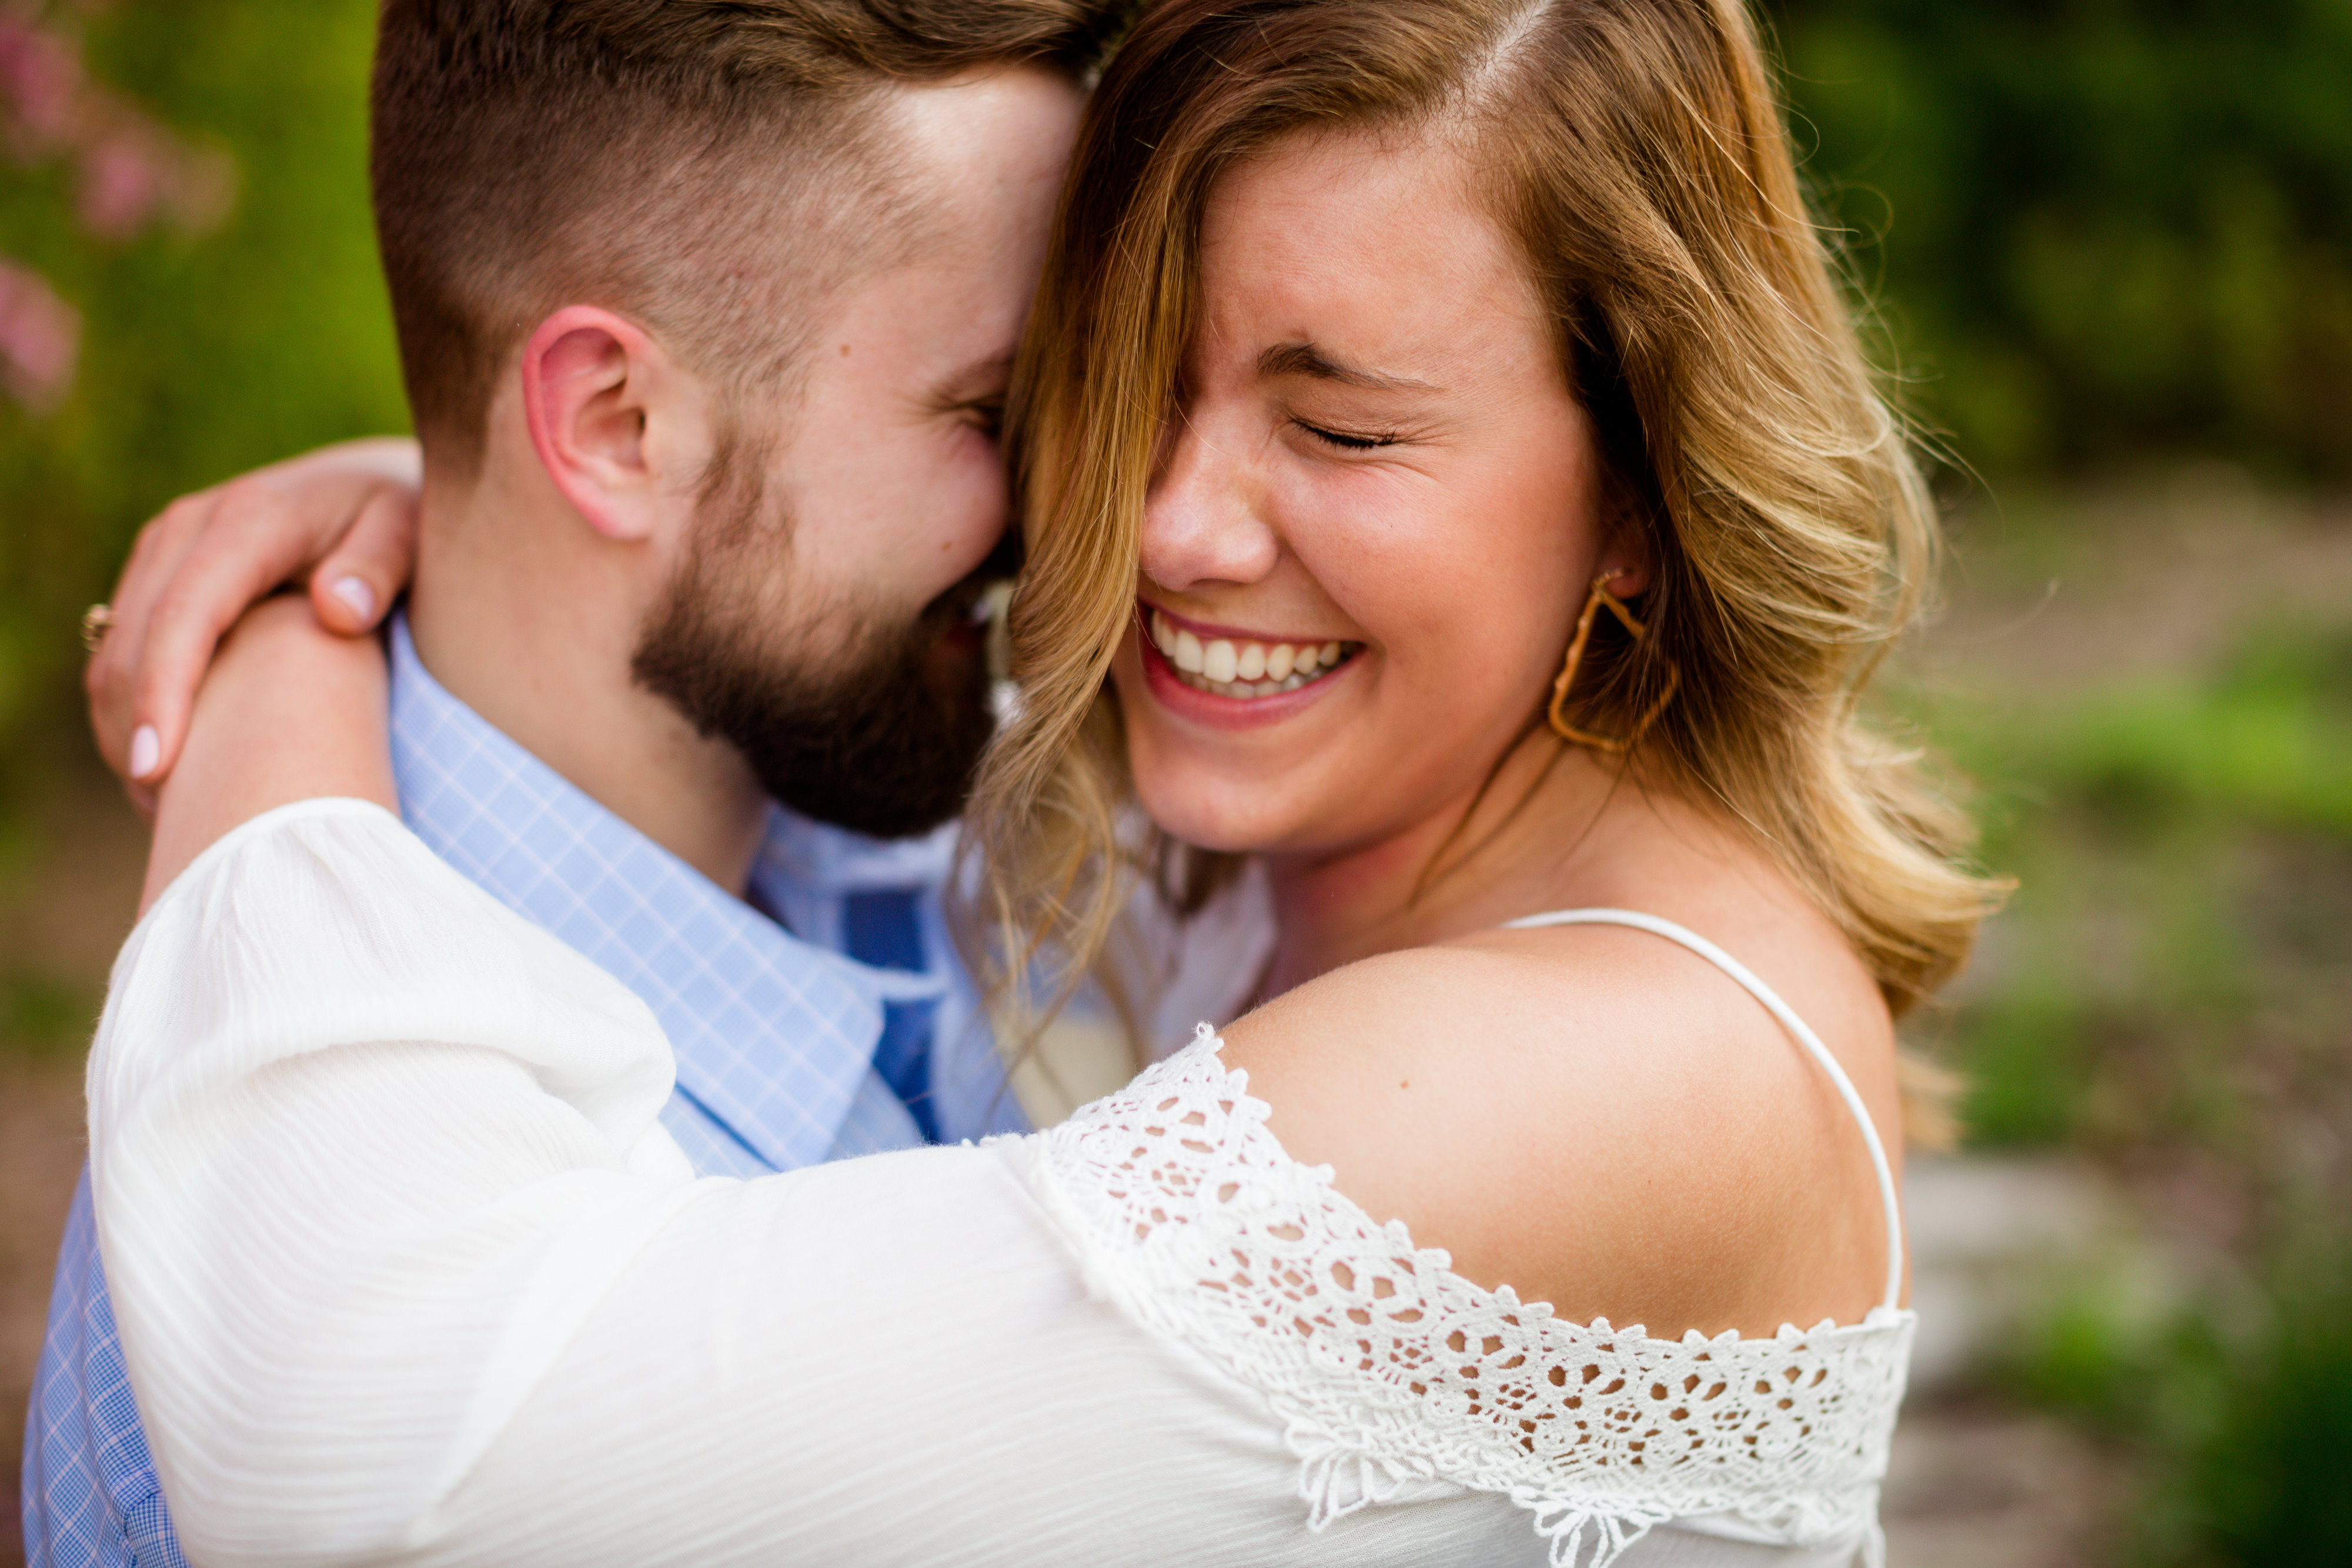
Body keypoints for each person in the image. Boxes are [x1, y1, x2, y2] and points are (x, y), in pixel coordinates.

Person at [82, 0, 2000, 1563]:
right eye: (1111, 384)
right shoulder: (1267, 848)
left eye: (1339, 423)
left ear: (1644, 500)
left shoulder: (1604, 1076)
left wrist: (270, 670)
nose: (1162, 525)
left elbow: (382, 1447)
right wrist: (470, 486)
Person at [27, 3, 1199, 1563]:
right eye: (989, 412)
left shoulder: (858, 787)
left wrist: (385, 501)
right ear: (613, 423)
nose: (1077, 503)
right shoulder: (352, 1247)